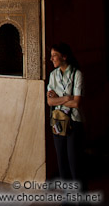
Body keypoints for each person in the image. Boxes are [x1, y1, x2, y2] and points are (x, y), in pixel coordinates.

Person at [46, 42, 85, 187]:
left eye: (54, 56)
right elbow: (50, 102)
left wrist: (58, 99)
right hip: (57, 121)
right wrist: (66, 98)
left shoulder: (76, 74)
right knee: (62, 162)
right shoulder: (53, 75)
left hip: (74, 121)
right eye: (51, 56)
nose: (52, 59)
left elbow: (76, 103)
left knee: (74, 162)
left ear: (64, 56)